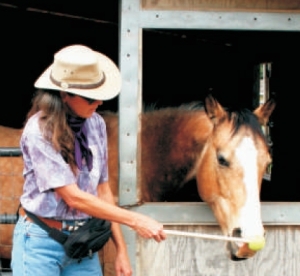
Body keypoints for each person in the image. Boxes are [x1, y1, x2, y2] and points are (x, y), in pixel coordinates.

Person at [11, 44, 166, 276]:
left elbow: (103, 191)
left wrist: (121, 250)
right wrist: (135, 220)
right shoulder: (38, 131)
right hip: (40, 243)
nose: (99, 102)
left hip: (82, 244)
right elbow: (73, 198)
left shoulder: (96, 125)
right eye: (90, 97)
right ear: (64, 95)